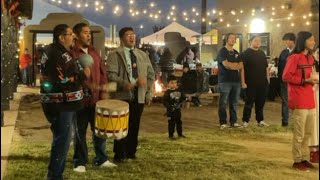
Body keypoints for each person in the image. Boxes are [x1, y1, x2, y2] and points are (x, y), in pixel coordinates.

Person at [40, 24, 88, 180]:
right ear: (61, 37)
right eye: (70, 34)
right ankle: (54, 176)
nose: (73, 36)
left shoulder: (56, 51)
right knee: (62, 141)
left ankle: (55, 174)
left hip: (61, 103)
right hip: (62, 104)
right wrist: (82, 74)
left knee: (62, 139)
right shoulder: (58, 54)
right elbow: (65, 80)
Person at [71, 23, 116, 173]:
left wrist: (103, 89)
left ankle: (101, 159)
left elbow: (102, 71)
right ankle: (80, 162)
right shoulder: (72, 53)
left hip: (96, 100)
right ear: (76, 35)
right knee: (80, 132)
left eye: (89, 32)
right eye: (85, 32)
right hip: (80, 101)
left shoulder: (94, 51)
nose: (88, 35)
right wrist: (84, 81)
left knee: (99, 130)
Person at [106, 27, 155, 162]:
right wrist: (124, 83)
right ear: (122, 38)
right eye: (128, 35)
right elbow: (110, 74)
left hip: (138, 95)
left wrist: (148, 92)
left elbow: (151, 75)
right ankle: (120, 154)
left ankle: (131, 152)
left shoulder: (142, 55)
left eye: (133, 35)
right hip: (122, 96)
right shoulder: (115, 54)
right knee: (121, 126)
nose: (132, 37)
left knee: (135, 125)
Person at [282, 31, 318, 171]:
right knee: (299, 133)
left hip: (310, 98)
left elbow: (311, 74)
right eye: (311, 40)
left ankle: (304, 158)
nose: (313, 42)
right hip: (299, 99)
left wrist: (313, 79)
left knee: (308, 132)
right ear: (303, 41)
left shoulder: (310, 58)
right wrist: (305, 80)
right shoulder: (294, 57)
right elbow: (286, 77)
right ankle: (297, 160)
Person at [241, 34, 270, 128]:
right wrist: (243, 82)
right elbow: (242, 69)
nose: (258, 42)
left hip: (262, 82)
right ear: (250, 42)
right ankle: (245, 121)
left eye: (259, 41)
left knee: (260, 103)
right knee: (249, 103)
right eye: (256, 40)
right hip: (250, 83)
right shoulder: (245, 53)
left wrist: (268, 79)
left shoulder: (262, 53)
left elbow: (266, 67)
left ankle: (260, 120)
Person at [216, 33, 243, 129]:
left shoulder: (236, 52)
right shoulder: (222, 51)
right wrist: (234, 65)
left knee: (234, 102)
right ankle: (223, 122)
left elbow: (241, 66)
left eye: (234, 38)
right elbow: (225, 64)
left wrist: (232, 65)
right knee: (223, 102)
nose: (233, 39)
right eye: (231, 37)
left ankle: (234, 122)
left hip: (236, 81)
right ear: (226, 39)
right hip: (225, 81)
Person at [278, 33, 296, 127]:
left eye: (287, 40)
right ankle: (285, 122)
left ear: (292, 40)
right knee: (285, 102)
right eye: (285, 40)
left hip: (295, 82)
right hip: (284, 82)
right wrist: (280, 79)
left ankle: (296, 122)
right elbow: (280, 66)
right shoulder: (284, 52)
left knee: (296, 102)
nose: (286, 42)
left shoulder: (298, 52)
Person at [163, 75, 187, 139]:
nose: (174, 84)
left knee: (179, 122)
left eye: (175, 82)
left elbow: (182, 98)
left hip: (178, 110)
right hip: (170, 111)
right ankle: (171, 135)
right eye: (172, 83)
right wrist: (169, 106)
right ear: (168, 84)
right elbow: (164, 101)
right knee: (171, 123)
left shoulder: (179, 91)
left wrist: (184, 99)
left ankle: (180, 134)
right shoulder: (167, 92)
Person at [309, 45, 319, 163]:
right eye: (318, 52)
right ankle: (314, 150)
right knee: (314, 121)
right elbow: (312, 78)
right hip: (314, 95)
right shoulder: (311, 64)